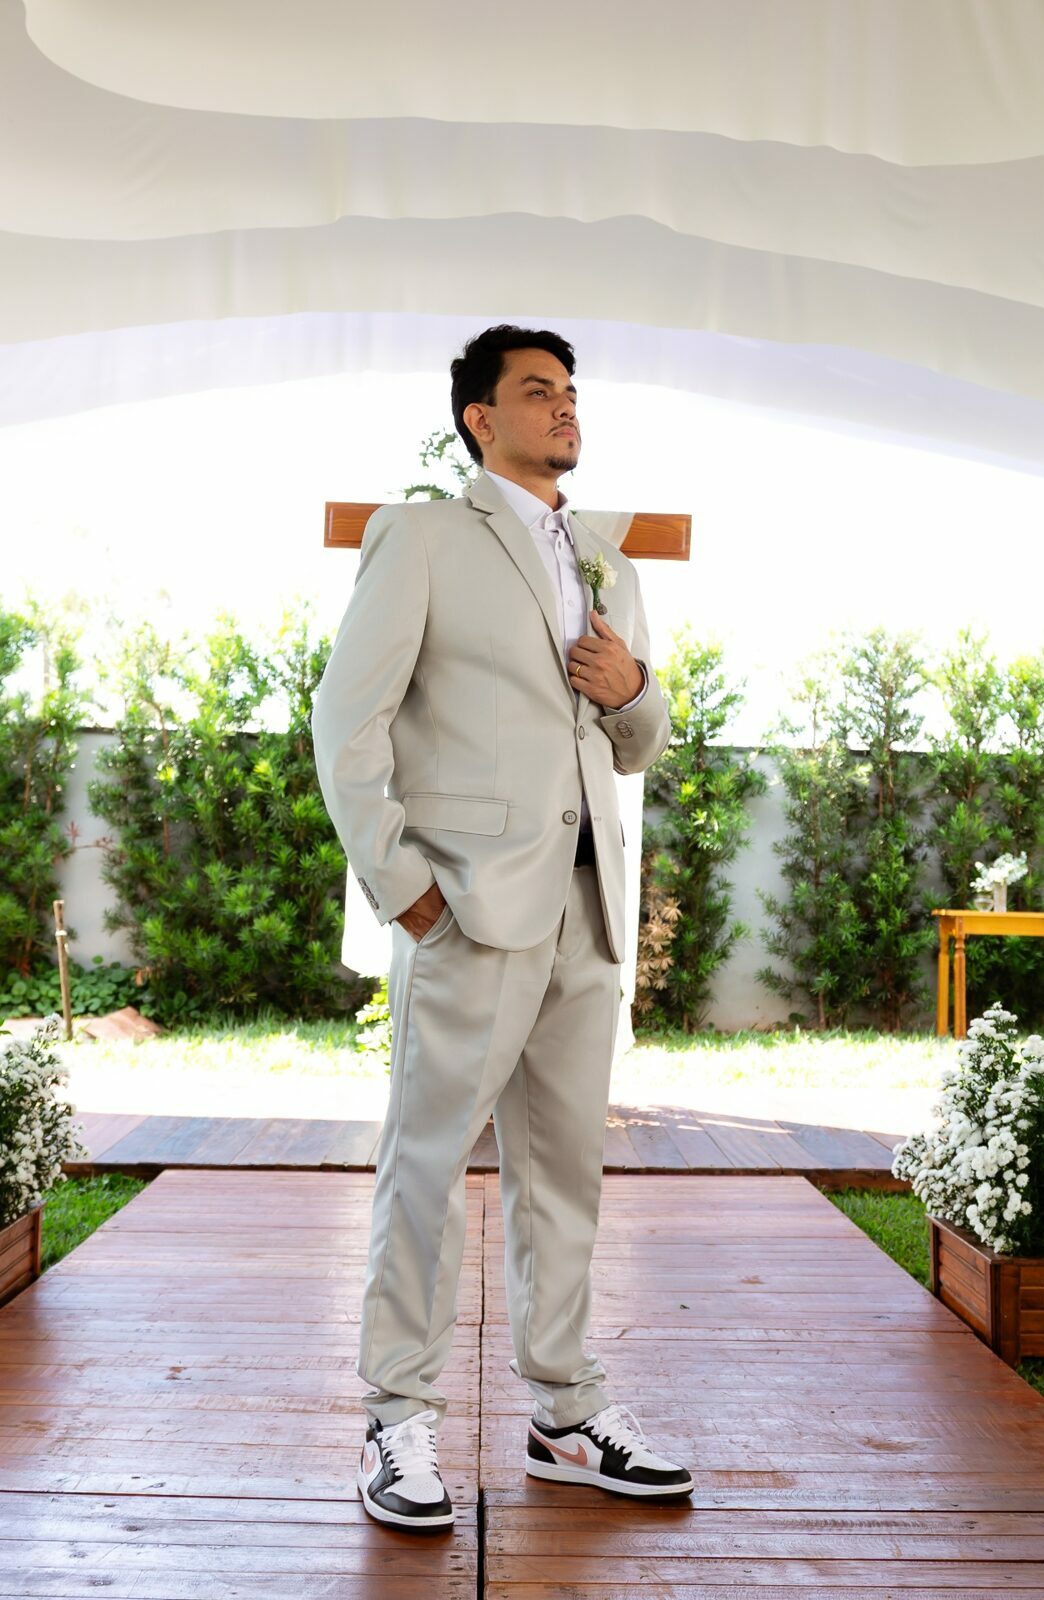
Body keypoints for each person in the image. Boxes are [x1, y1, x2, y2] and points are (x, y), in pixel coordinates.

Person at [311, 323, 693, 1532]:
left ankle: (565, 1415)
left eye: (570, 390)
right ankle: (395, 1418)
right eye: (537, 391)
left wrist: (635, 690)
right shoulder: (422, 536)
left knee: (563, 1173)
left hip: (587, 904)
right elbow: (345, 720)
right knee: (426, 1164)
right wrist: (399, 881)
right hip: (468, 904)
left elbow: (636, 744)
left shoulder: (605, 558)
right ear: (479, 417)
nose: (565, 408)